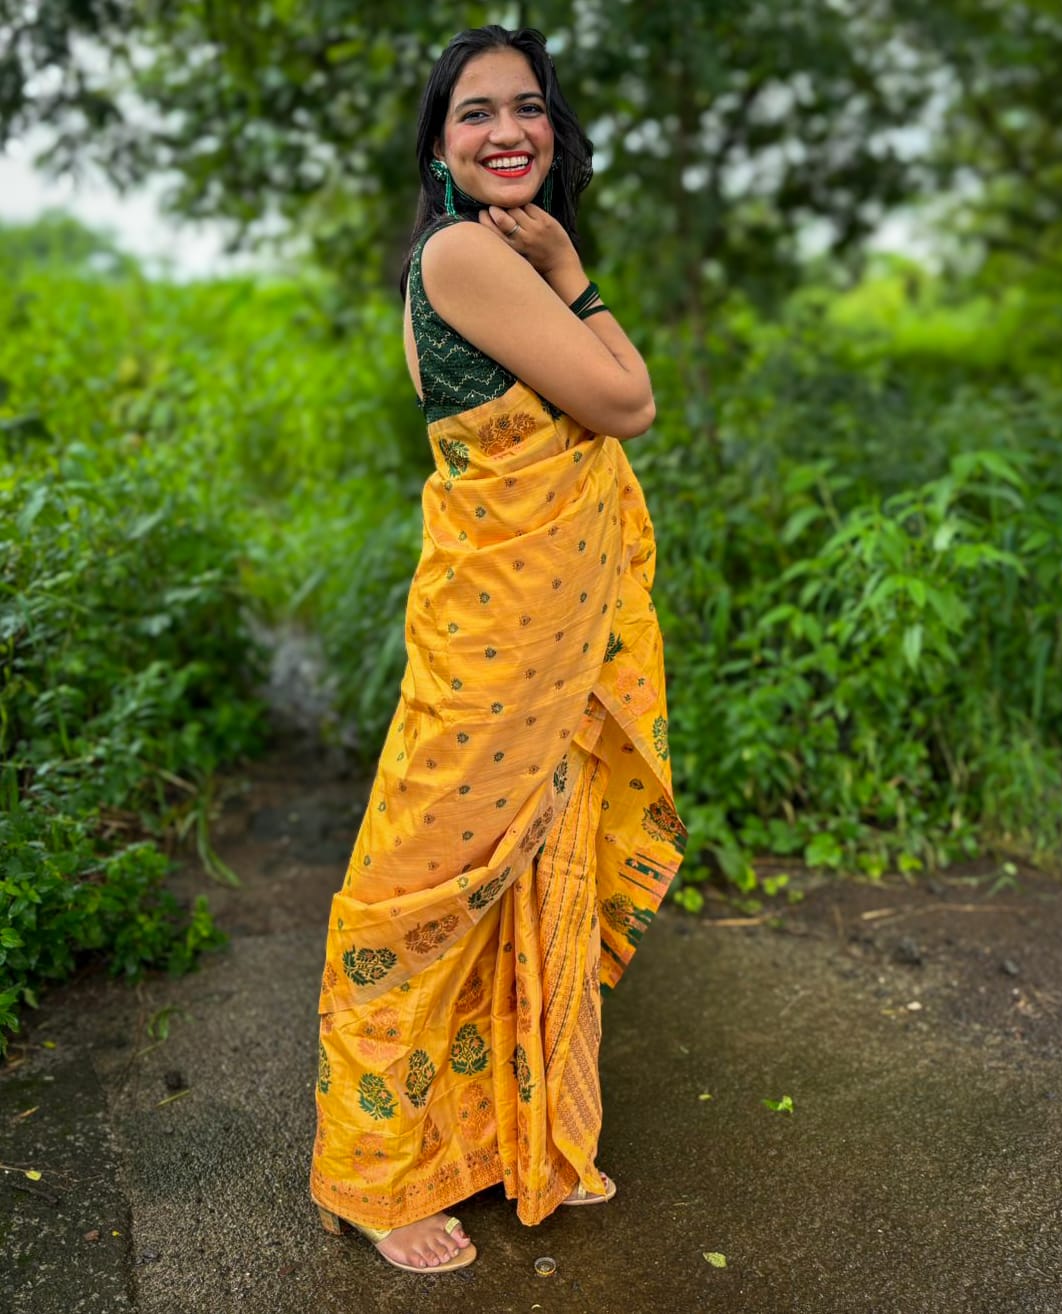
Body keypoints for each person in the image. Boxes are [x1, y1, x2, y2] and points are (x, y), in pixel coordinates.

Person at [309, 24, 686, 1274]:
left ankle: (502, 1134)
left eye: (529, 107)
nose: (507, 130)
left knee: (530, 866)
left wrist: (570, 271)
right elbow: (627, 399)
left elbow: (613, 393)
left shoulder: (482, 259)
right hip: (496, 639)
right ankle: (366, 1177)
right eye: (475, 113)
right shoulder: (467, 254)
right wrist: (575, 271)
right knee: (417, 889)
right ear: (438, 148)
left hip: (534, 637)